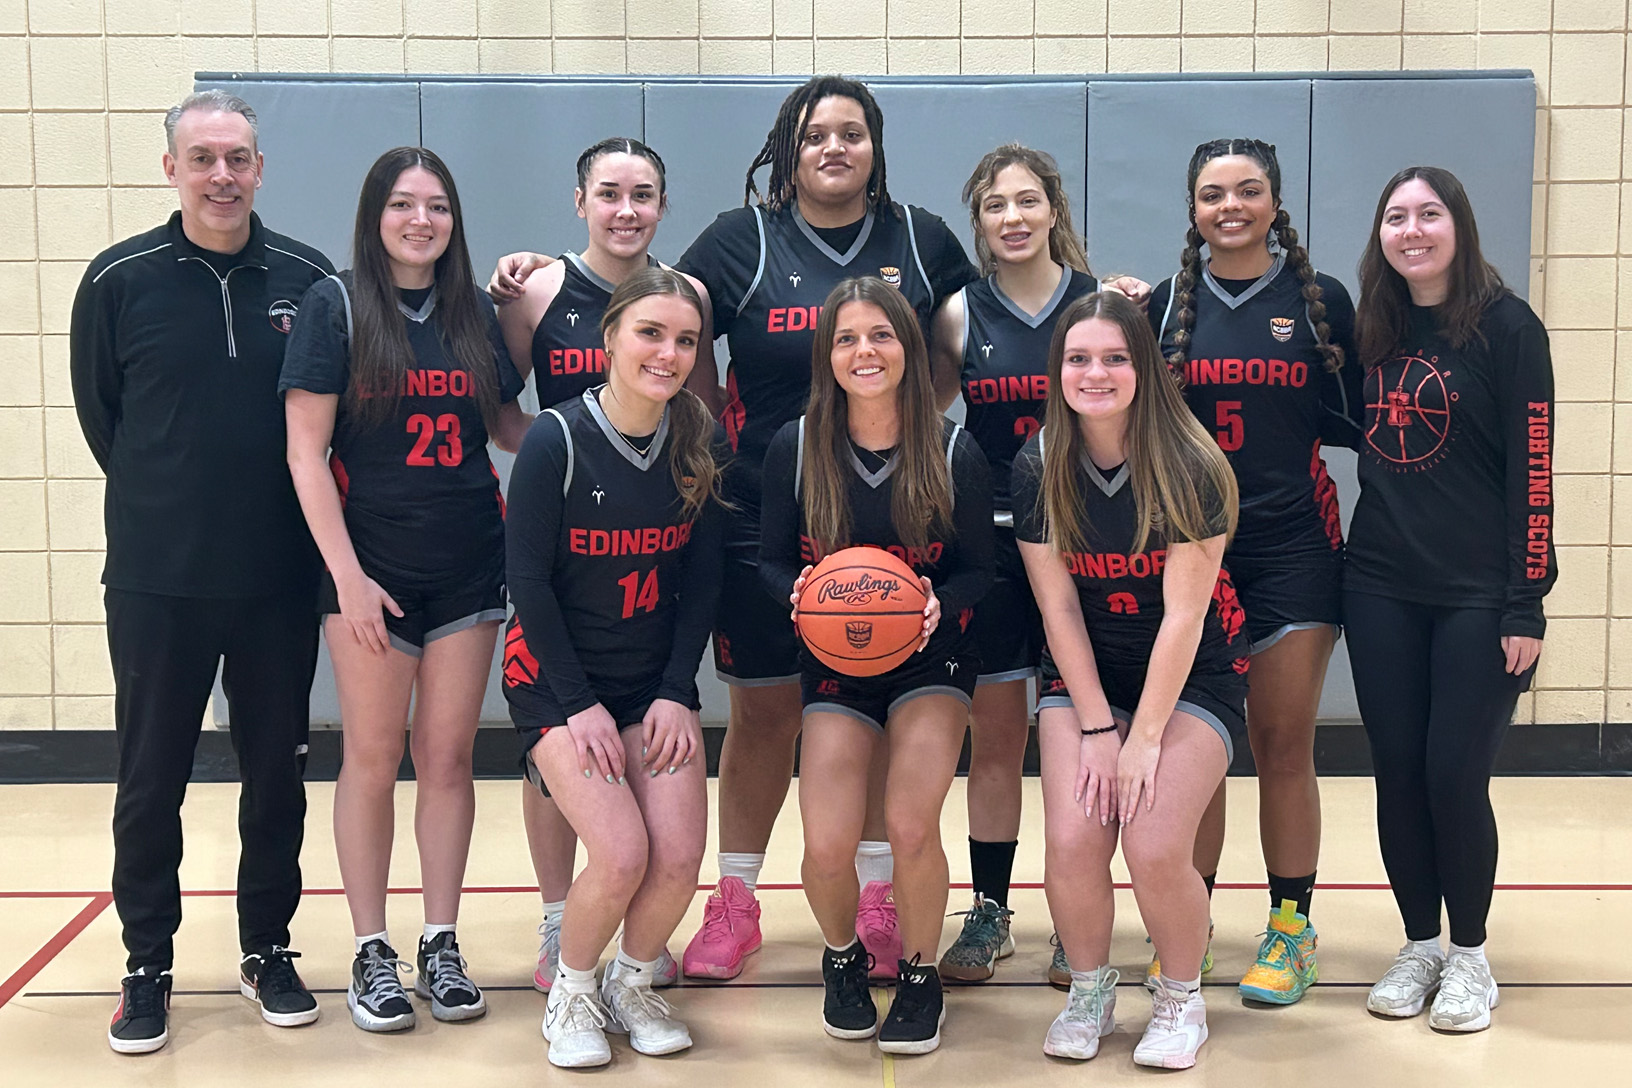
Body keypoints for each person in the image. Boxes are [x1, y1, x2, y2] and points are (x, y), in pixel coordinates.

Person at [493, 75, 979, 981]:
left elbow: (967, 343)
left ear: (876, 145)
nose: (833, 148)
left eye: (851, 133)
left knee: (872, 709)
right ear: (786, 152)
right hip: (765, 513)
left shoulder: (923, 238)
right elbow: (654, 306)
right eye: (813, 136)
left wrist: (917, 428)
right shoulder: (741, 240)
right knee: (764, 712)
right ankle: (737, 901)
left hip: (895, 522)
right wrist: (543, 273)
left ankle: (877, 896)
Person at [70, 90, 333, 1055]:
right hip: (157, 579)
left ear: (261, 168)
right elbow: (109, 424)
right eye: (203, 157)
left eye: (239, 158)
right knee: (151, 780)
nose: (222, 174)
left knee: (278, 776)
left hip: (275, 582)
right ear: (171, 167)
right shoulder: (117, 279)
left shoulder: (310, 279)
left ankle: (267, 946)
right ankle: (147, 963)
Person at [281, 147, 531, 1033]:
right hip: (371, 573)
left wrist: (601, 438)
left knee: (451, 758)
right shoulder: (336, 305)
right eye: (402, 204)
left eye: (436, 206)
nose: (420, 220)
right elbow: (305, 452)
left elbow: (506, 427)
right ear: (375, 214)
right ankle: (369, 948)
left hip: (468, 564)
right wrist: (345, 578)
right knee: (373, 758)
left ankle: (440, 937)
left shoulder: (473, 314)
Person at [494, 136, 712, 994]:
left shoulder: (685, 302)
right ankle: (563, 922)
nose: (627, 209)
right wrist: (564, 451)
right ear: (579, 198)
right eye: (610, 192)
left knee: (666, 853)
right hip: (566, 577)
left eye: (645, 194)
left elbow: (700, 566)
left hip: (644, 611)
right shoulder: (535, 289)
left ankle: (617, 972)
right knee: (583, 814)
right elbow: (497, 400)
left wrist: (678, 686)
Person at [1147, 138, 1361, 1004]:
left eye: (1248, 190)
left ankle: (1289, 928)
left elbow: (1367, 422)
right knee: (1196, 747)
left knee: (1280, 744)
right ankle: (1186, 929)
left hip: (1296, 551)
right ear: (1192, 210)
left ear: (1275, 202)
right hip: (1196, 555)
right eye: (1212, 193)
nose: (1229, 206)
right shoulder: (1163, 308)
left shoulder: (1323, 305)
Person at [929, 143, 1149, 984]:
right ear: (978, 222)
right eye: (994, 206)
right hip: (990, 544)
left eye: (1027, 201)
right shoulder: (957, 314)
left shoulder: (1103, 308)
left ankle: (1075, 917)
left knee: (1071, 740)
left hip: (1086, 552)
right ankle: (990, 914)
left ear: (1054, 209)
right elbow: (930, 420)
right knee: (994, 740)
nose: (1012, 218)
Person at [1014, 290, 1246, 1070]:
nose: (1096, 372)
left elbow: (1185, 617)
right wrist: (1094, 727)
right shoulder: (1040, 461)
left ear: (1144, 367)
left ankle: (1180, 996)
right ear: (1058, 371)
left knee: (1150, 843)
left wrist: (1142, 739)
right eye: (1078, 358)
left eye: (1115, 357)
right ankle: (1089, 989)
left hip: (1189, 682)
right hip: (1086, 679)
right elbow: (1058, 609)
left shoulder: (1192, 463)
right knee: (1075, 841)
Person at [761, 277, 993, 1054]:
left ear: (911, 350)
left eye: (883, 336)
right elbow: (764, 562)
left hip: (931, 655)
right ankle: (843, 957)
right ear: (828, 354)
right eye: (849, 338)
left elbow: (980, 571)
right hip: (834, 662)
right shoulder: (794, 448)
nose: (866, 352)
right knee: (826, 844)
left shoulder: (953, 446)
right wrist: (796, 590)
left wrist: (939, 603)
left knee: (907, 823)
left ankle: (921, 978)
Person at [1346, 166, 1553, 1033]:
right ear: (1382, 238)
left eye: (1429, 214)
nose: (1413, 230)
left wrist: (1526, 602)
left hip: (1478, 596)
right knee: (1397, 774)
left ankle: (1469, 956)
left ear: (1459, 226)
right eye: (1396, 216)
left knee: (1453, 775)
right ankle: (1420, 942)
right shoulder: (1372, 331)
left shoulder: (1509, 328)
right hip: (1381, 585)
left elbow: (1534, 470)